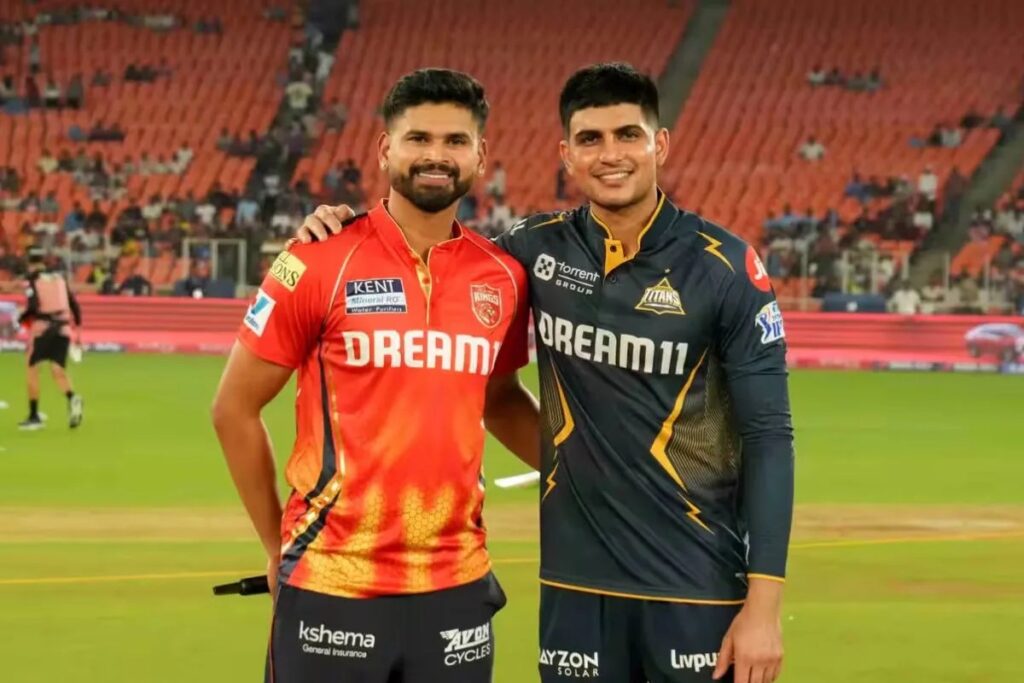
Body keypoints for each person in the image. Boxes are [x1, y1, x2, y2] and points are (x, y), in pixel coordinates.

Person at [298, 62, 794, 683]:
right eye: (590, 139)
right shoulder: (532, 250)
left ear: (660, 144)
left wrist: (764, 606)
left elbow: (769, 437)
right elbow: (491, 382)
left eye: (628, 135)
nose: (610, 155)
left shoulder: (725, 268)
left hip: (695, 582)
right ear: (566, 155)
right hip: (573, 587)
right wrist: (341, 229)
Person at [211, 68, 539, 683]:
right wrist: (276, 548)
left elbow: (500, 399)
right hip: (332, 582)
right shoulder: (318, 258)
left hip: (457, 588)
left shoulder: (503, 276)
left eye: (455, 140)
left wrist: (591, 469)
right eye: (418, 139)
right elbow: (233, 408)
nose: (436, 155)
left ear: (480, 155)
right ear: (386, 149)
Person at [17, 252, 84, 430]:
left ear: (30, 263)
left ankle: (34, 416)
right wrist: (77, 328)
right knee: (57, 369)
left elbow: (33, 306)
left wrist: (20, 318)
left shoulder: (32, 280)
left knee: (32, 369)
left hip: (43, 329)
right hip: (63, 328)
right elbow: (74, 305)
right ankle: (72, 397)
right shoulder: (59, 278)